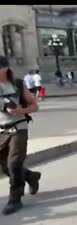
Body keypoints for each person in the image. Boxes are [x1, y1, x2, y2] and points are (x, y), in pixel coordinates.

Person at [0, 56, 42, 215]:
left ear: (5, 68)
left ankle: (15, 198)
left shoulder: (17, 84)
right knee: (5, 166)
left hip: (18, 127)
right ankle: (31, 177)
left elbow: (34, 106)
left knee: (14, 164)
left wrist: (20, 111)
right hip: (0, 130)